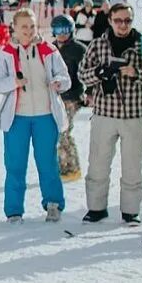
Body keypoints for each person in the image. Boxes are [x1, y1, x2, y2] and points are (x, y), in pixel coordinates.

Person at [0, 10, 70, 222]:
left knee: (47, 163)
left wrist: (59, 82)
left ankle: (53, 203)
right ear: (14, 27)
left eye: (32, 26)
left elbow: (65, 76)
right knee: (15, 165)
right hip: (17, 118)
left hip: (45, 115)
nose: (28, 31)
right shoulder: (5, 53)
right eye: (24, 26)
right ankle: (14, 211)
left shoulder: (48, 49)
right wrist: (13, 83)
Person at [77, 3, 142, 224]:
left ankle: (131, 210)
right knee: (98, 163)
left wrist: (135, 73)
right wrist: (99, 73)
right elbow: (82, 74)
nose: (123, 25)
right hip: (105, 113)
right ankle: (96, 208)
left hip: (134, 113)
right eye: (118, 20)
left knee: (132, 166)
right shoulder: (99, 44)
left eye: (127, 20)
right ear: (110, 20)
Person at [50, 16, 86, 182]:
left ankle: (72, 168)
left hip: (72, 96)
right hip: (56, 96)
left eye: (65, 31)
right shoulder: (51, 48)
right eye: (58, 31)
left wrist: (88, 92)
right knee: (56, 132)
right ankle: (63, 164)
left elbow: (86, 73)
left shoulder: (79, 49)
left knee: (63, 131)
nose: (62, 35)